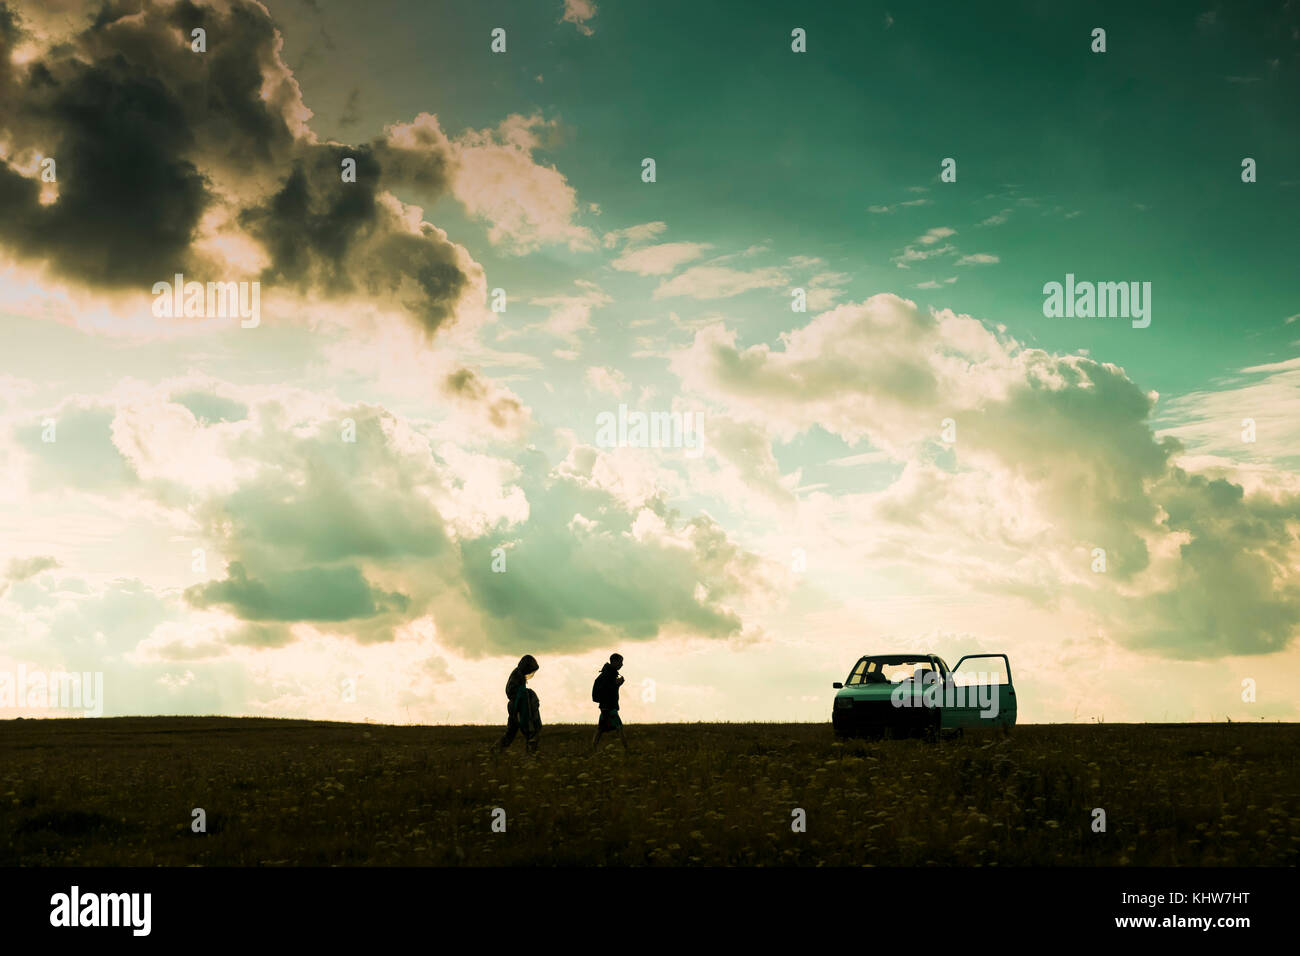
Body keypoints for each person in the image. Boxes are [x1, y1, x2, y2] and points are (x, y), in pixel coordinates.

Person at [496, 654, 539, 752]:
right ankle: (530, 755)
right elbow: (514, 694)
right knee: (527, 733)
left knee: (511, 733)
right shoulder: (517, 677)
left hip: (516, 706)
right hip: (516, 707)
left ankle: (496, 752)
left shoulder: (518, 675)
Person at [589, 653, 628, 753]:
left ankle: (593, 749)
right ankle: (627, 750)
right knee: (619, 728)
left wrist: (617, 685)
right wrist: (617, 684)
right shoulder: (609, 675)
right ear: (614, 661)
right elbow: (607, 691)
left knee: (601, 729)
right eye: (620, 662)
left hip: (605, 707)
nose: (622, 664)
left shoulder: (608, 673)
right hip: (609, 707)